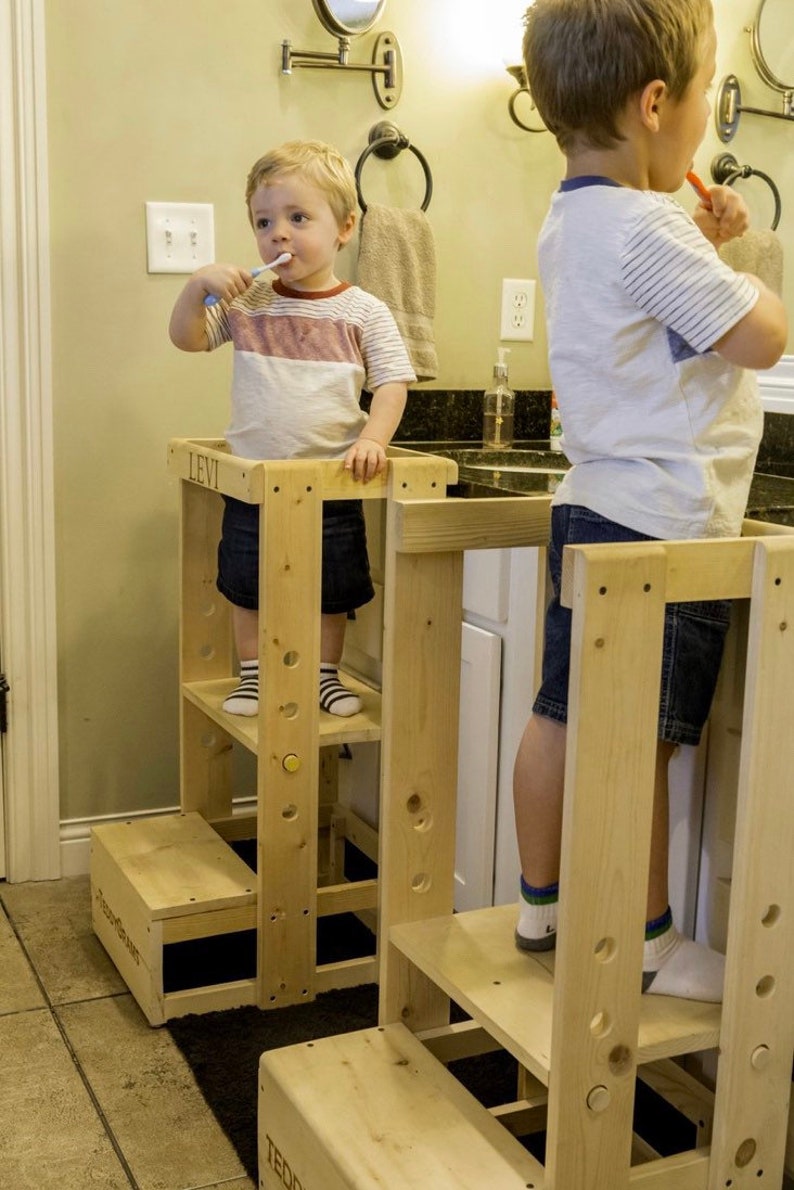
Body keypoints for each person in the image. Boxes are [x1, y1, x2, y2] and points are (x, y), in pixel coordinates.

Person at [514, 0, 788, 1001]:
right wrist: (744, 258)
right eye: (712, 93)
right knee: (646, 742)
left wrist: (699, 235)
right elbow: (761, 338)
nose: (710, 119)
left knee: (559, 712)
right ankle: (646, 938)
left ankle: (537, 900)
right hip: (663, 527)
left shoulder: (572, 216)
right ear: (655, 102)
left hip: (590, 508)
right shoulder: (645, 231)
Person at [169, 140, 415, 718]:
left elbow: (393, 384)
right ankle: (253, 676)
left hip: (332, 482)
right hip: (254, 482)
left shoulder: (364, 311)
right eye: (264, 221)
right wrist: (194, 288)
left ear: (345, 229)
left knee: (334, 589)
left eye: (298, 218)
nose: (278, 234)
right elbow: (189, 338)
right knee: (245, 582)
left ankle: (326, 675)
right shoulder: (250, 301)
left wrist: (372, 440)